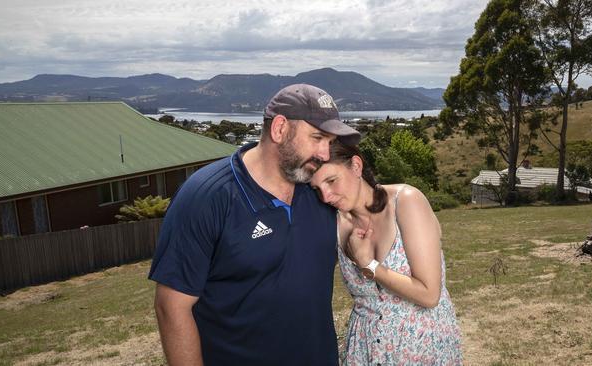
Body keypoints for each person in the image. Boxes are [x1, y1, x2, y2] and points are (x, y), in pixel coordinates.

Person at [149, 84, 360, 365]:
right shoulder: (206, 196)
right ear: (280, 129)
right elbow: (171, 308)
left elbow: (373, 200)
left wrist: (405, 199)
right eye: (317, 137)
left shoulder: (321, 190)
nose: (324, 153)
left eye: (330, 142)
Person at [310, 141, 463, 365]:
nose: (326, 196)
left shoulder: (406, 202)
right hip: (364, 349)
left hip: (422, 347)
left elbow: (430, 295)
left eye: (332, 181)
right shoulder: (333, 223)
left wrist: (368, 265)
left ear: (355, 166)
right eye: (316, 188)